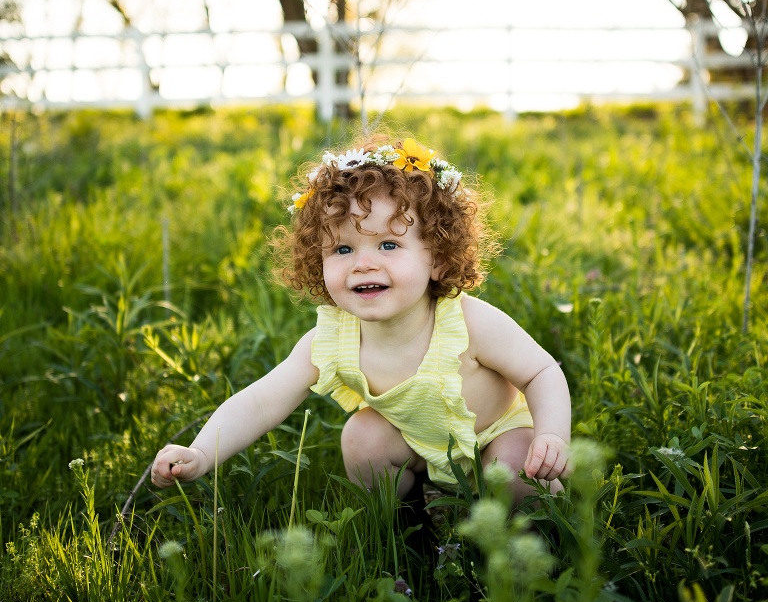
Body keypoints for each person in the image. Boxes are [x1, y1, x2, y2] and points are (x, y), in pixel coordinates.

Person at [151, 135, 571, 502]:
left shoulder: (468, 324)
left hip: (497, 435)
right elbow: (261, 400)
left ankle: (531, 545)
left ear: (439, 259)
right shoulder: (332, 340)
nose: (363, 265)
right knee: (361, 436)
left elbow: (540, 372)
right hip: (420, 446)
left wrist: (552, 436)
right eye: (343, 250)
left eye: (388, 245)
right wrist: (202, 452)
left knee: (518, 470)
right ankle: (405, 526)